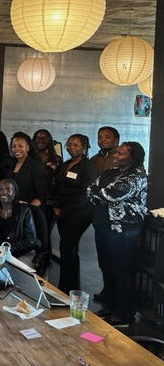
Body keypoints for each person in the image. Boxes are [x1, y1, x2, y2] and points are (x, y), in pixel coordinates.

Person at [88, 141, 148, 324]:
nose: (116, 155)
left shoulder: (136, 176)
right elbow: (90, 190)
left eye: (121, 153)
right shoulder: (110, 172)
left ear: (132, 158)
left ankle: (122, 313)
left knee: (121, 270)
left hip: (124, 229)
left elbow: (112, 194)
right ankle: (110, 306)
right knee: (106, 267)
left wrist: (100, 192)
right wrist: (101, 192)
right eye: (117, 152)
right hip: (103, 224)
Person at [53, 134, 97, 293]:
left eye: (76, 145)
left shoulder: (88, 167)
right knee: (66, 248)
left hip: (80, 212)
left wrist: (65, 211)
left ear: (84, 147)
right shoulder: (66, 164)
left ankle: (69, 288)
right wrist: (56, 206)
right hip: (62, 211)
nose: (72, 147)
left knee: (68, 247)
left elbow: (87, 195)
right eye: (70, 144)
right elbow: (58, 186)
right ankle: (66, 286)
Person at [8, 132, 49, 274]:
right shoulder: (11, 164)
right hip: (13, 213)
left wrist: (28, 209)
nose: (16, 149)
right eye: (14, 146)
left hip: (29, 215)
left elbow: (41, 195)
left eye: (20, 146)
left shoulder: (35, 166)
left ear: (28, 148)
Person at [0, 178, 38, 261]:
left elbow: (30, 240)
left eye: (8, 189)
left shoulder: (24, 211)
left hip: (22, 253)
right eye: (0, 189)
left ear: (14, 193)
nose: (4, 192)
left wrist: (6, 249)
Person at [32, 129, 63, 270]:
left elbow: (59, 182)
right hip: (34, 200)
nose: (40, 140)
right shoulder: (31, 157)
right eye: (38, 138)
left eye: (44, 138)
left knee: (45, 233)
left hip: (49, 203)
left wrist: (57, 203)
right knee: (33, 231)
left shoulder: (56, 159)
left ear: (49, 140)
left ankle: (45, 262)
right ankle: (33, 261)